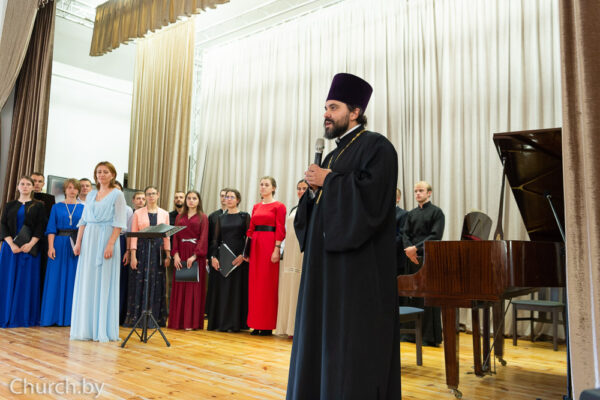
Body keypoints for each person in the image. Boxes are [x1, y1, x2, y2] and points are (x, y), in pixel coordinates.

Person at [288, 73, 400, 399]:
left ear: (355, 112)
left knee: (349, 345)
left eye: (333, 107)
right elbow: (315, 214)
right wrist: (312, 193)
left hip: (355, 272)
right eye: (325, 107)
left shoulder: (377, 147)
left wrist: (329, 181)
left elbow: (372, 200)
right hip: (323, 269)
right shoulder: (332, 155)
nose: (326, 114)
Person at [70, 161, 127, 342]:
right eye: (99, 172)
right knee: (87, 280)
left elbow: (119, 222)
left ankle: (101, 327)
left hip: (107, 238)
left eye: (105, 172)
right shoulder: (91, 194)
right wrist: (78, 243)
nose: (101, 175)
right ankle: (86, 327)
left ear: (112, 175)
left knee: (104, 281)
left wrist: (110, 244)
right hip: (89, 240)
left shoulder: (117, 194)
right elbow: (83, 221)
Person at [401, 180, 445, 346]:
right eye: (416, 191)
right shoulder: (411, 214)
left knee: (427, 298)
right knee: (412, 296)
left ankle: (428, 337)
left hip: (428, 259)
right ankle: (409, 335)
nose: (418, 193)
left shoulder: (437, 213)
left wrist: (416, 249)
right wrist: (409, 250)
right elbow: (405, 234)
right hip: (411, 259)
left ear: (429, 193)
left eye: (421, 191)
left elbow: (435, 236)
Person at [0, 176, 47, 327]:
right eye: (22, 184)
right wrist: (11, 244)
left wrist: (30, 244)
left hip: (29, 249)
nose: (25, 186)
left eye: (28, 184)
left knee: (25, 283)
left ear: (33, 187)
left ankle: (22, 317)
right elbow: (3, 225)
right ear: (18, 187)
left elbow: (40, 227)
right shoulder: (9, 205)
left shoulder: (39, 206)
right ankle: (4, 315)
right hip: (10, 249)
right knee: (7, 281)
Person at [123, 186, 171, 327]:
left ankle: (155, 318)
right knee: (140, 281)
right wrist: (133, 255)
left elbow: (167, 236)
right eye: (148, 194)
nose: (151, 196)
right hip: (142, 249)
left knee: (156, 281)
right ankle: (138, 318)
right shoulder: (138, 213)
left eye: (153, 194)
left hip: (157, 250)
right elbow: (134, 234)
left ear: (158, 195)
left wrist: (168, 254)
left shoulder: (165, 213)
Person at [40, 179, 84, 326]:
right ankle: (52, 317)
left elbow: (85, 229)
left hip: (76, 244)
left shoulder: (84, 208)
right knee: (55, 279)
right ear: (65, 190)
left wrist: (80, 245)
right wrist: (50, 247)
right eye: (69, 187)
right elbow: (51, 228)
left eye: (75, 188)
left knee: (73, 279)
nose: (72, 190)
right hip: (58, 244)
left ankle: (71, 318)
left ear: (78, 191)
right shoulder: (56, 207)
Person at [246, 176, 286, 336]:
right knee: (255, 285)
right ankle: (255, 324)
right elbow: (250, 229)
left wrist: (277, 249)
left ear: (273, 188)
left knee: (268, 285)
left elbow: (280, 228)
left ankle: (267, 325)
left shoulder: (279, 206)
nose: (263, 187)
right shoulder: (256, 206)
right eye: (261, 184)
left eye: (266, 185)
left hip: (269, 245)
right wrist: (246, 251)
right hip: (255, 245)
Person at [207, 189, 250, 332]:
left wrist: (243, 255)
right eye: (227, 197)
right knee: (223, 290)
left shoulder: (244, 216)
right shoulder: (221, 218)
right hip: (223, 258)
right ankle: (221, 323)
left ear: (238, 200)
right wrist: (213, 257)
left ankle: (234, 324)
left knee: (235, 291)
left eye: (232, 197)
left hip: (238, 259)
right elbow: (215, 240)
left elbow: (248, 238)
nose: (229, 199)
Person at [169, 190, 209, 330]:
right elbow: (175, 236)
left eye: (194, 198)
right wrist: (175, 254)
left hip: (196, 255)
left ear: (198, 201)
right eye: (189, 198)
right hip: (181, 254)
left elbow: (204, 237)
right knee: (180, 287)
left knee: (193, 289)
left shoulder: (203, 217)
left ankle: (191, 322)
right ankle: (178, 321)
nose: (191, 201)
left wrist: (195, 255)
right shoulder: (179, 217)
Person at [274, 179, 308, 337]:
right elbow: (287, 231)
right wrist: (280, 250)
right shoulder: (294, 208)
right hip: (289, 252)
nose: (301, 191)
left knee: (298, 286)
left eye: (304, 188)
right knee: (288, 287)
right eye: (298, 188)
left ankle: (297, 328)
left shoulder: (314, 207)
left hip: (302, 251)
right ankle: (287, 327)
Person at [206, 188, 229, 318]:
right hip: (215, 254)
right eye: (222, 195)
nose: (224, 198)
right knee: (214, 284)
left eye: (227, 196)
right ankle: (212, 312)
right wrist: (209, 256)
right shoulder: (213, 216)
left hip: (230, 254)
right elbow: (209, 237)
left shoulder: (238, 215)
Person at [116, 182, 134, 325]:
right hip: (103, 241)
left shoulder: (127, 210)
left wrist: (127, 251)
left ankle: (118, 314)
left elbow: (129, 233)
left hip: (121, 241)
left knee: (120, 278)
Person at [167, 191, 185, 311]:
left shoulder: (190, 216)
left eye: (181, 197)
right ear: (174, 200)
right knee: (170, 283)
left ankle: (182, 310)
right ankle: (170, 310)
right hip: (172, 254)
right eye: (176, 197)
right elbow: (166, 236)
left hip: (186, 254)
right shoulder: (168, 216)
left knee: (184, 282)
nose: (179, 199)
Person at [395, 188, 409, 276]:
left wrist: (386, 247)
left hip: (396, 257)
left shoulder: (403, 214)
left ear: (398, 199)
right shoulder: (380, 214)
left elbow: (402, 235)